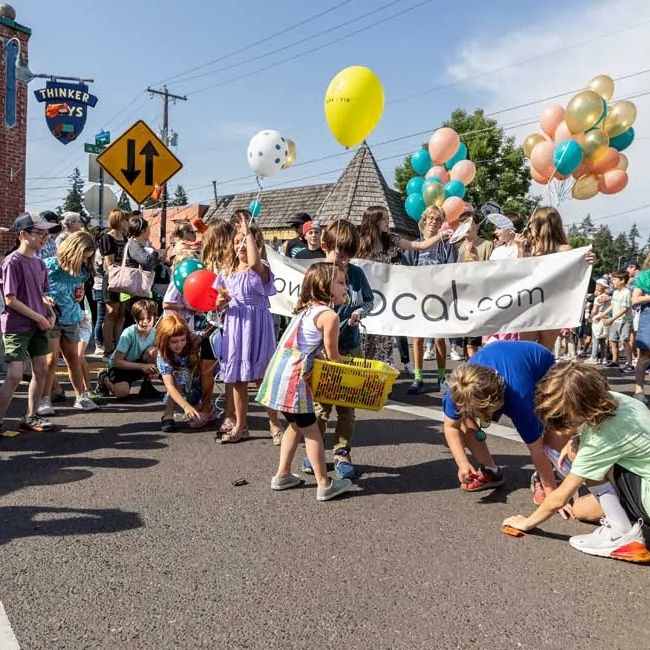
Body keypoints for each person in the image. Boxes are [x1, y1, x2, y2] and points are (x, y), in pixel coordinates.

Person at [503, 362, 650, 564]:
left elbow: (559, 499)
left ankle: (621, 534)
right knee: (580, 508)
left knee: (576, 454)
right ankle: (623, 520)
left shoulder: (599, 439)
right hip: (642, 481)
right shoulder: (625, 402)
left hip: (646, 498)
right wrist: (576, 439)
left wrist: (526, 523)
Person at [257, 262, 353, 501]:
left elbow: (311, 348)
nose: (345, 287)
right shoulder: (329, 315)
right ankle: (324, 483)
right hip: (294, 379)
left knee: (295, 426)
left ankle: (282, 474)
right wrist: (349, 368)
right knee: (312, 432)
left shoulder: (307, 310)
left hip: (278, 374)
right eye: (340, 282)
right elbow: (332, 355)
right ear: (324, 286)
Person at [442, 340, 559, 502]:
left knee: (555, 424)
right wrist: (462, 463)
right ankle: (491, 471)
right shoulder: (459, 389)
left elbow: (537, 448)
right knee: (462, 419)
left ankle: (543, 477)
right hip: (498, 363)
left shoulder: (519, 397)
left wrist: (551, 493)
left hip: (542, 367)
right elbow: (451, 426)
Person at [309, 219, 374, 478]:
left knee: (347, 406)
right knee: (320, 407)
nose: (345, 260)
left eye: (349, 255)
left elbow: (369, 301)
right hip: (322, 351)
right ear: (326, 246)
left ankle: (342, 452)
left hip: (350, 346)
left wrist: (359, 312)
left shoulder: (357, 274)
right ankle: (315, 453)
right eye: (340, 253)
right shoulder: (317, 273)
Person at [357, 205, 453, 364]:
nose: (388, 222)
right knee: (365, 336)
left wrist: (440, 236)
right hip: (366, 297)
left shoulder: (392, 239)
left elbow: (419, 246)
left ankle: (381, 376)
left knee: (383, 336)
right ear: (373, 221)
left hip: (384, 298)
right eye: (384, 219)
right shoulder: (360, 242)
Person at [215, 212, 281, 442]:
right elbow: (216, 302)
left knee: (261, 378)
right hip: (235, 325)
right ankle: (241, 426)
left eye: (245, 240)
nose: (240, 245)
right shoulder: (226, 273)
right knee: (238, 379)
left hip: (257, 325)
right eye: (237, 241)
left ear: (255, 243)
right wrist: (220, 304)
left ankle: (275, 424)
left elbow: (253, 262)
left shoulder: (260, 266)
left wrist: (247, 231)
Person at [0, 213, 57, 433]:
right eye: (39, 233)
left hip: (39, 325)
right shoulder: (12, 262)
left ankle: (31, 417)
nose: (45, 237)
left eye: (46, 233)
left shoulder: (40, 264)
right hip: (17, 326)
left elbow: (41, 294)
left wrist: (49, 312)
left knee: (41, 369)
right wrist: (39, 317)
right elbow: (10, 299)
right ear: (23, 234)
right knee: (15, 374)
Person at [39, 231, 99, 413]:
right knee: (51, 360)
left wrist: (79, 293)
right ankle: (44, 399)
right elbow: (35, 289)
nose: (84, 261)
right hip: (51, 317)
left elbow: (78, 288)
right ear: (73, 251)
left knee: (73, 358)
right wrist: (43, 299)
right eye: (83, 257)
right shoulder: (49, 266)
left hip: (71, 317)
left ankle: (81, 397)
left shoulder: (83, 271)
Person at [401, 206, 456, 393]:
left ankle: (441, 377)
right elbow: (406, 271)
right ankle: (418, 377)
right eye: (431, 218)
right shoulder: (414, 245)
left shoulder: (447, 247)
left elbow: (451, 271)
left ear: (442, 223)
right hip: (418, 298)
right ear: (425, 220)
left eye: (438, 219)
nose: (434, 222)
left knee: (439, 338)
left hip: (439, 299)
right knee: (417, 339)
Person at [518, 207, 572, 351]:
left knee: (545, 351)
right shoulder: (529, 248)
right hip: (529, 304)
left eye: (532, 222)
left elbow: (571, 276)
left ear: (543, 225)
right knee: (525, 349)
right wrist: (521, 251)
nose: (529, 226)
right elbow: (518, 275)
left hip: (551, 305)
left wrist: (588, 260)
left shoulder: (564, 250)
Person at [95, 298, 161, 401]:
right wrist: (143, 366)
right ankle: (103, 377)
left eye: (148, 318)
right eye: (141, 319)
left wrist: (156, 370)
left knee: (155, 352)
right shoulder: (128, 333)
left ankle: (147, 386)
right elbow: (117, 362)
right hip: (121, 367)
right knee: (122, 393)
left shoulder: (155, 333)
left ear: (155, 318)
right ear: (135, 319)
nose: (145, 322)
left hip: (139, 365)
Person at [154, 312, 205, 433]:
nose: (179, 344)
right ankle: (168, 414)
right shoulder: (163, 355)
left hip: (196, 379)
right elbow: (169, 385)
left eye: (182, 340)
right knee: (178, 377)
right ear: (165, 340)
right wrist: (185, 406)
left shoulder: (193, 340)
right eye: (174, 341)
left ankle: (206, 406)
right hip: (179, 381)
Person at [100, 209, 130, 357]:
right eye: (125, 220)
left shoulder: (125, 238)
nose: (127, 223)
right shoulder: (107, 238)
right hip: (112, 278)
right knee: (111, 312)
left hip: (124, 279)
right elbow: (109, 262)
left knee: (121, 313)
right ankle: (108, 348)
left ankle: (118, 345)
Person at [603, 269, 633, 372]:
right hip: (615, 320)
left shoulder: (627, 292)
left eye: (615, 279)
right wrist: (602, 314)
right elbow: (612, 305)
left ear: (622, 280)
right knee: (613, 341)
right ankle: (615, 361)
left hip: (625, 319)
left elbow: (625, 309)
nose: (613, 282)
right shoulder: (615, 292)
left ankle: (629, 363)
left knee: (625, 341)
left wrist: (612, 319)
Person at [631, 254, 650, 404]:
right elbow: (635, 299)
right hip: (648, 316)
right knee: (644, 354)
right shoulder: (645, 277)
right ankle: (639, 390)